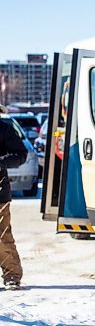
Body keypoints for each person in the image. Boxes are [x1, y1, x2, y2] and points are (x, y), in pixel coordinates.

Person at [0, 105, 27, 290]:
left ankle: (12, 275)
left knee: (2, 236)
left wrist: (0, 162)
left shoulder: (4, 129)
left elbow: (21, 155)